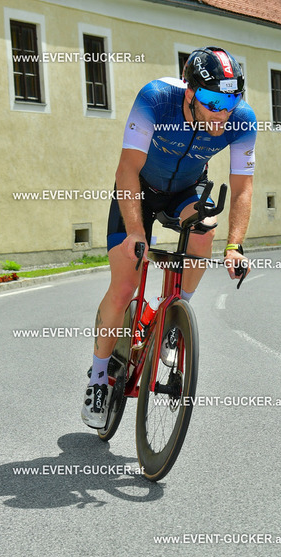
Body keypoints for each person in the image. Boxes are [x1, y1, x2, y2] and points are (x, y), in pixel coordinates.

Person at [81, 46, 257, 428]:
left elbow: (243, 188)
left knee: (205, 228)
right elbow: (127, 170)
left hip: (186, 191)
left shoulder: (242, 120)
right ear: (190, 92)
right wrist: (135, 232)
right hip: (138, 190)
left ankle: (173, 321)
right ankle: (97, 377)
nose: (222, 113)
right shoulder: (156, 99)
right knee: (124, 286)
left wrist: (234, 245)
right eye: (213, 102)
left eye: (231, 102)